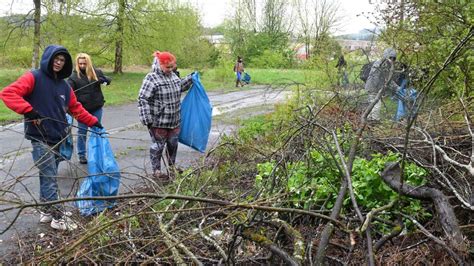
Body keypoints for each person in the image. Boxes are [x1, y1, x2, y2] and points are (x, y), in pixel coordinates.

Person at [0, 45, 102, 230]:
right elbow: (8, 93)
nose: (59, 62)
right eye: (56, 59)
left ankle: (47, 211)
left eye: (62, 60)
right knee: (50, 177)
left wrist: (94, 122)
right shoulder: (34, 77)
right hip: (40, 137)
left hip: (58, 136)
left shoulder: (64, 85)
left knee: (48, 175)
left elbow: (76, 108)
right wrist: (29, 111)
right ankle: (58, 217)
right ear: (48, 59)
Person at [138, 51, 194, 179]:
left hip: (174, 120)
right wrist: (147, 119)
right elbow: (142, 99)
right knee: (158, 146)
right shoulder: (151, 78)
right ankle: (156, 171)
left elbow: (179, 86)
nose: (170, 70)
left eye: (172, 67)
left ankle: (171, 167)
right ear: (160, 64)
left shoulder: (173, 76)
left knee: (173, 145)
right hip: (158, 122)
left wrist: (191, 78)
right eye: (167, 67)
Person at [67, 53, 111, 164]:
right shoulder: (73, 77)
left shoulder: (96, 72)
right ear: (77, 64)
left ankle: (97, 153)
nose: (82, 65)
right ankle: (82, 155)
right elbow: (68, 91)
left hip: (96, 107)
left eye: (84, 63)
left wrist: (104, 80)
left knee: (96, 131)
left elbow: (108, 81)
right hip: (82, 110)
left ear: (88, 63)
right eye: (80, 63)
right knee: (82, 132)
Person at [364, 48, 400, 122]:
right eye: (390, 58)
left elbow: (389, 79)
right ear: (386, 56)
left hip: (375, 87)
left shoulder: (387, 65)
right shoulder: (380, 63)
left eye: (393, 58)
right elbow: (375, 76)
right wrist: (380, 88)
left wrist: (396, 87)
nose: (392, 60)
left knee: (372, 103)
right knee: (376, 103)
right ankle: (374, 120)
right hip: (373, 87)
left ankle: (370, 119)